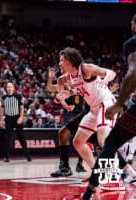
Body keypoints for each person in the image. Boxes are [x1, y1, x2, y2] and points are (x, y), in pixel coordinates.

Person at [80, 14, 136, 200]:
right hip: (95, 109)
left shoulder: (132, 43)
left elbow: (133, 72)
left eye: (132, 21)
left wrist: (118, 104)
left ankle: (90, 191)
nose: (130, 24)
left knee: (109, 143)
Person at [57, 47, 116, 171]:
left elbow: (111, 73)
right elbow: (59, 81)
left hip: (106, 103)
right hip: (94, 109)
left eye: (62, 60)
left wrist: (105, 80)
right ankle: (97, 172)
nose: (59, 63)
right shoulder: (69, 77)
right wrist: (65, 95)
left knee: (102, 137)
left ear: (69, 61)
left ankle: (113, 176)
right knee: (78, 142)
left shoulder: (85, 68)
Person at [0, 82, 32, 162]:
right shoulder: (3, 98)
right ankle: (6, 157)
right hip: (8, 119)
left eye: (11, 87)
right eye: (8, 87)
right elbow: (2, 109)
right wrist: (1, 119)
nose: (9, 88)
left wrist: (21, 117)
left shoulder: (18, 96)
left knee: (21, 138)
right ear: (6, 89)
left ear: (13, 88)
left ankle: (27, 155)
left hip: (17, 118)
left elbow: (21, 107)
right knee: (7, 138)